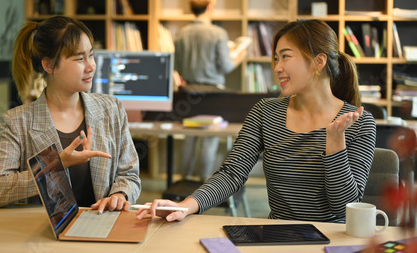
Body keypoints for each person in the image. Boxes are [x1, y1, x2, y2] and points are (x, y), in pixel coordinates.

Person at [137, 19, 376, 223]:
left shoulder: (359, 122)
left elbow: (344, 207)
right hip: (276, 238)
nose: (277, 68)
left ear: (318, 62)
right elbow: (231, 174)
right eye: (275, 59)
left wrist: (335, 144)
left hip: (331, 241)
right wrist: (186, 206)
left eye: (285, 57)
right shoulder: (266, 112)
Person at [0, 15, 141, 213]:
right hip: (43, 236)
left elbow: (129, 175)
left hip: (103, 228)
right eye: (79, 58)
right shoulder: (17, 122)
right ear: (49, 65)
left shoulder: (112, 109)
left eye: (91, 55)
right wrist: (56, 165)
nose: (91, 66)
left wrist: (120, 195)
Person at [174, 0, 246, 181]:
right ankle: (204, 184)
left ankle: (183, 182)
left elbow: (178, 66)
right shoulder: (218, 33)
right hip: (213, 93)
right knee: (209, 139)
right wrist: (240, 55)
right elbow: (226, 66)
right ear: (210, 7)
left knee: (188, 138)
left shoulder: (181, 33)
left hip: (188, 91)